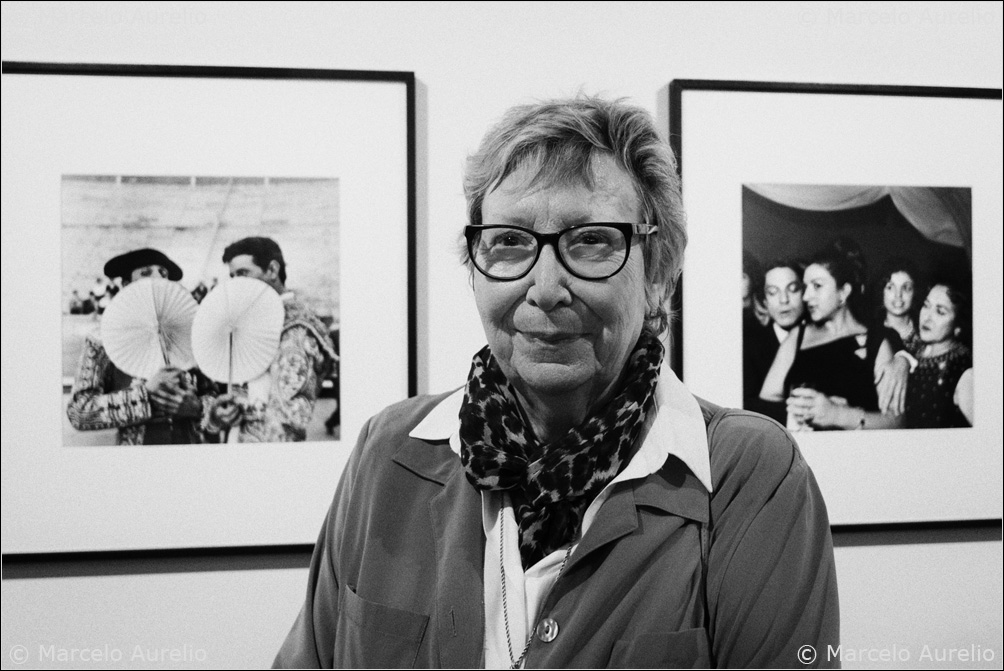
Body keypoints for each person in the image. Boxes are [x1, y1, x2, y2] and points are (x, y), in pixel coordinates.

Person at [274, 96, 838, 668]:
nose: (545, 288)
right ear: (476, 267)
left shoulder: (749, 477)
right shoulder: (389, 455)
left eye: (592, 241)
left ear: (659, 272)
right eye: (509, 241)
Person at [66, 248, 217, 445]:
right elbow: (80, 412)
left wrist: (196, 407)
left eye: (163, 274)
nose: (157, 278)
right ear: (127, 285)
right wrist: (145, 394)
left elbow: (213, 393)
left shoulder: (190, 331)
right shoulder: (102, 338)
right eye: (145, 273)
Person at [203, 237, 337, 442]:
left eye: (243, 273)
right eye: (232, 276)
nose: (236, 283)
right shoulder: (256, 319)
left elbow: (288, 418)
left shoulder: (298, 329)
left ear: (272, 270)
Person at [760, 237, 901, 431]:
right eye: (806, 286)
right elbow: (765, 402)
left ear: (843, 292)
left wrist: (839, 415)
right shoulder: (797, 337)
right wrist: (794, 418)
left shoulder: (876, 344)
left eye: (817, 286)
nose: (806, 296)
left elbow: (897, 422)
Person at [744, 257, 805, 422]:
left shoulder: (822, 337)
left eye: (793, 289)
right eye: (773, 292)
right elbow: (743, 406)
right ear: (764, 300)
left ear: (804, 293)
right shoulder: (747, 345)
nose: (783, 300)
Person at [904, 282, 974, 428]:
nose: (927, 317)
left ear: (957, 327)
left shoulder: (964, 370)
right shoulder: (915, 349)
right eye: (926, 305)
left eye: (940, 312)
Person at [874, 257, 923, 351]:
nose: (898, 295)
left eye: (906, 288)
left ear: (915, 292)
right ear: (881, 291)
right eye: (890, 287)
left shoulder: (925, 332)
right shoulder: (871, 332)